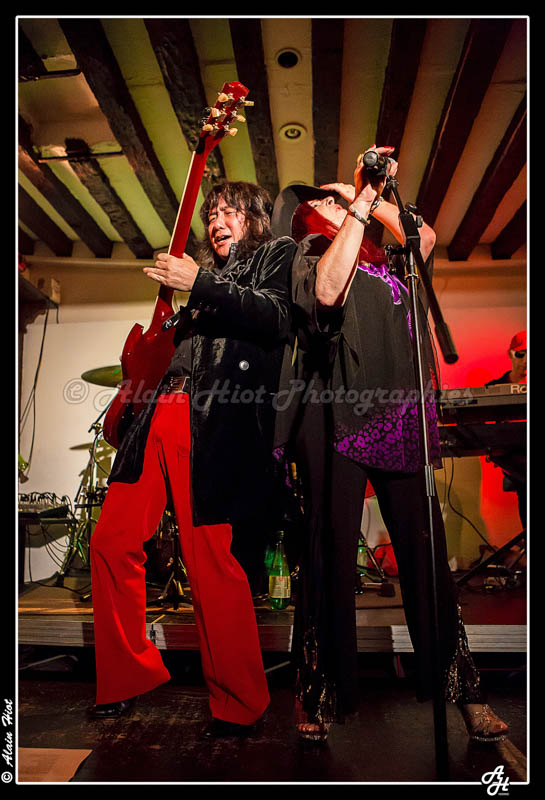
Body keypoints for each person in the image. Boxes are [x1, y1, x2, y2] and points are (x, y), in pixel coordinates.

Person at [271, 146, 509, 744]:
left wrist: (368, 196)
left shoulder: (390, 260)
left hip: (398, 414)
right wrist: (354, 207)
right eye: (325, 200)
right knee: (328, 557)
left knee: (427, 559)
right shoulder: (308, 252)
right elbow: (328, 294)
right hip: (333, 415)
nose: (335, 203)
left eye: (337, 198)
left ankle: (463, 690)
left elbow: (425, 238)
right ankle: (319, 691)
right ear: (304, 217)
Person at [89, 181, 299, 737]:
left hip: (213, 423)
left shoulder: (276, 255)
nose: (216, 221)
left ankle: (239, 701)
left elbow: (277, 317)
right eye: (211, 213)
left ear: (255, 217)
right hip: (158, 417)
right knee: (110, 541)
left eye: (229, 211)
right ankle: (126, 675)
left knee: (211, 561)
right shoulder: (202, 289)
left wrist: (199, 281)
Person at [485, 330, 527, 530]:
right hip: (515, 461)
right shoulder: (494, 388)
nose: (526, 361)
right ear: (511, 354)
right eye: (521, 354)